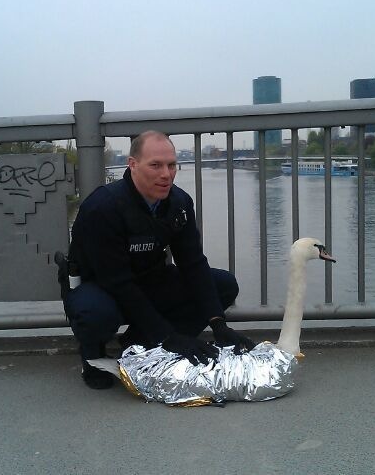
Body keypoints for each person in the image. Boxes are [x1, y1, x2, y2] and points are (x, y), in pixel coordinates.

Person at [61, 130, 255, 389]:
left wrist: (218, 323)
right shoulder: (103, 208)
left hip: (149, 279)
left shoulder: (180, 203)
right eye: (155, 165)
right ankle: (93, 355)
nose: (166, 174)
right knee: (94, 313)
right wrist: (168, 336)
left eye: (172, 165)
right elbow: (117, 282)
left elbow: (193, 264)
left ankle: (139, 343)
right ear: (132, 165)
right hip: (101, 286)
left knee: (224, 284)